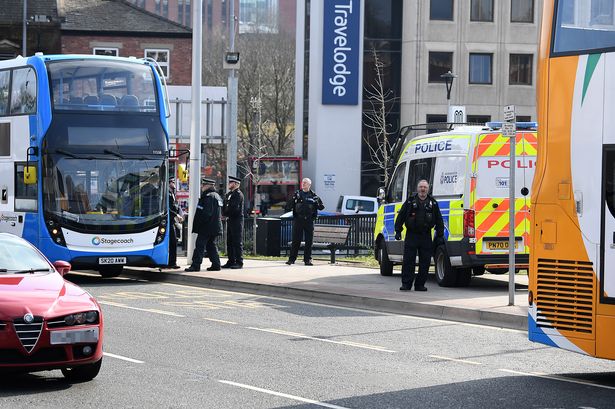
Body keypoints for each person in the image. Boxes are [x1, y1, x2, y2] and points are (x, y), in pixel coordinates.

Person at [394, 179, 444, 292]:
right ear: (417, 188)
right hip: (411, 235)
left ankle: (420, 285)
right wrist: (398, 231)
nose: (423, 189)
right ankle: (406, 284)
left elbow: (439, 220)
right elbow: (401, 216)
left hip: (426, 236)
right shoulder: (410, 202)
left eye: (425, 187)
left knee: (425, 262)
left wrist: (440, 235)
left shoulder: (433, 203)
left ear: (428, 189)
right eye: (421, 187)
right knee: (408, 261)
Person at [185, 178, 223, 272]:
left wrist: (200, 224)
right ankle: (216, 264)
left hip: (206, 227)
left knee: (199, 246)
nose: (202, 187)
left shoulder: (208, 197)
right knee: (211, 245)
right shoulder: (216, 196)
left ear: (208, 186)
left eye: (203, 185)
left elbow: (206, 213)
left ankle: (195, 265)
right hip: (213, 226)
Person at [285, 177, 325, 266]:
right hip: (298, 219)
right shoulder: (297, 194)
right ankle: (292, 259)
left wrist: (316, 202)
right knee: (296, 240)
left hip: (309, 220)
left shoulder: (314, 195)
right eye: (303, 182)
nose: (303, 184)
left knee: (309, 241)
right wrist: (293, 199)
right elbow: (288, 206)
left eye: (305, 183)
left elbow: (321, 207)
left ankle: (307, 260)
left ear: (309, 185)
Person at [222, 175, 244, 269]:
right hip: (230, 220)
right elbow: (225, 205)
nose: (229, 184)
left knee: (237, 242)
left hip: (236, 220)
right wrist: (224, 213)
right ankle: (231, 260)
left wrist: (226, 214)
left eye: (230, 183)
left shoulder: (238, 194)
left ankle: (239, 262)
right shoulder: (230, 194)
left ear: (235, 184)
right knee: (230, 242)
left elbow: (234, 208)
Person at [166, 177, 184, 269]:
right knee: (172, 242)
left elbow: (176, 205)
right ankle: (171, 263)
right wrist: (176, 215)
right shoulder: (167, 193)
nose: (173, 183)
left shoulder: (172, 193)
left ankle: (171, 262)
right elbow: (167, 207)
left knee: (174, 241)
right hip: (168, 220)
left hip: (172, 220)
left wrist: (179, 214)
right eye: (172, 182)